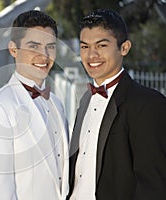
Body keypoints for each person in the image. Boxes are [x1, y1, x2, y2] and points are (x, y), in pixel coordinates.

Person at [68, 8, 166, 200]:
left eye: (102, 45)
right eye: (85, 47)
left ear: (124, 48)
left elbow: (153, 187)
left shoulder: (149, 104)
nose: (91, 55)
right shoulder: (86, 100)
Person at [0, 10, 69, 200]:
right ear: (13, 49)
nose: (44, 55)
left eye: (50, 46)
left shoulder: (57, 104)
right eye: (33, 46)